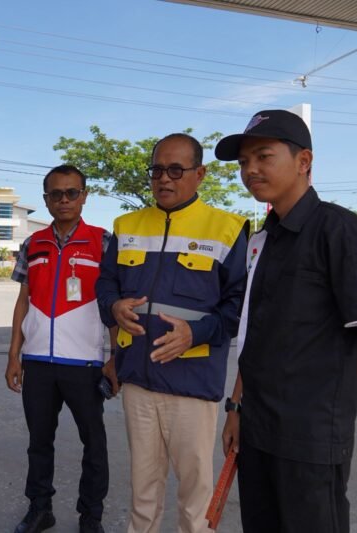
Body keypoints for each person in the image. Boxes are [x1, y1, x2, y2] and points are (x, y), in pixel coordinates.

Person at [216, 110, 357, 533]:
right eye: (244, 162)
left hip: (309, 436)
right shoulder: (263, 238)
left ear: (304, 161)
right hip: (257, 427)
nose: (250, 170)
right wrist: (236, 407)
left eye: (263, 156)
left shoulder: (340, 232)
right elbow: (256, 333)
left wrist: (320, 379)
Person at [95, 134, 248, 533]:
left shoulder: (228, 229)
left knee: (195, 499)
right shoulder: (126, 226)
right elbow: (106, 283)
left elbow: (238, 308)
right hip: (138, 382)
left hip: (192, 386)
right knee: (142, 493)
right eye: (158, 170)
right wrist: (113, 305)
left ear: (200, 174)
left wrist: (195, 334)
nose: (165, 178)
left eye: (176, 170)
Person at [5, 165, 117, 533]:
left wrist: (114, 357)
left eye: (72, 193)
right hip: (38, 362)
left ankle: (91, 516)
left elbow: (113, 304)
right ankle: (40, 509)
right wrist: (14, 356)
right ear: (46, 200)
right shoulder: (31, 244)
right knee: (39, 442)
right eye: (56, 194)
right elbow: (23, 301)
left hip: (85, 363)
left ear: (85, 196)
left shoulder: (104, 242)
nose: (64, 200)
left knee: (94, 444)